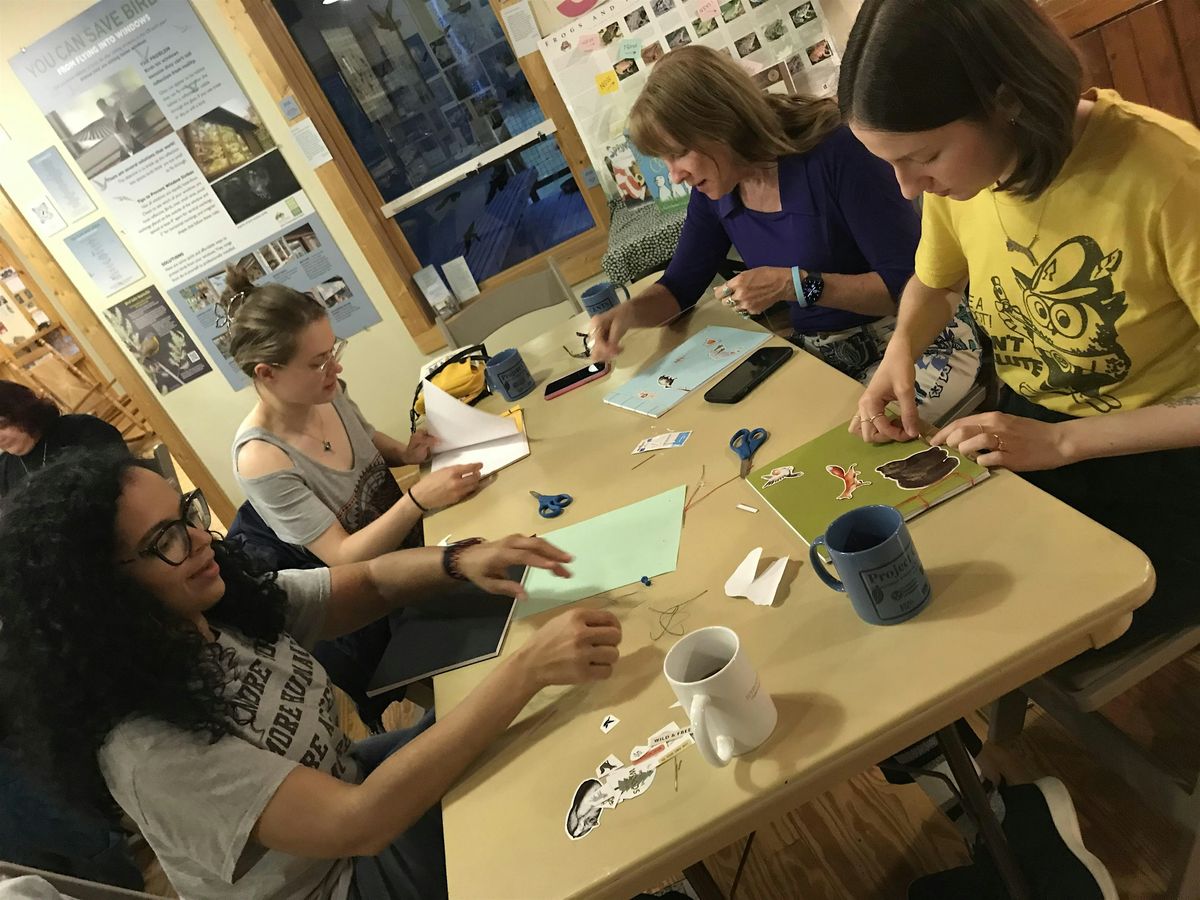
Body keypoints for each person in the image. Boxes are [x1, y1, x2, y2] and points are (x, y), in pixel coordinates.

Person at [840, 0, 1200, 896]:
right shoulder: (968, 182)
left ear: (1008, 100)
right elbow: (935, 279)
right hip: (1045, 438)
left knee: (962, 628)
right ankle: (1002, 808)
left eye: (922, 157)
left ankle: (1012, 819)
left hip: (1167, 464)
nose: (907, 188)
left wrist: (1067, 440)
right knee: (878, 588)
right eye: (889, 163)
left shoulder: (1167, 173)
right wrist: (898, 351)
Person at [0, 451, 622, 900]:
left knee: (524, 737)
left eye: (187, 513)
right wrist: (526, 671)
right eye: (167, 539)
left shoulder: (217, 608)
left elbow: (369, 582)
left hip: (355, 795)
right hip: (345, 879)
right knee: (537, 793)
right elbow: (360, 822)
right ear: (98, 592)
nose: (200, 539)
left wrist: (460, 560)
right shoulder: (146, 749)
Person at [588, 45, 983, 424]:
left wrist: (795, 285)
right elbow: (679, 287)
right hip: (829, 353)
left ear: (720, 124)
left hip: (918, 338)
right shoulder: (715, 188)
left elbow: (909, 286)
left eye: (678, 153)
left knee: (862, 443)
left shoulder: (837, 153)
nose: (674, 175)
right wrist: (627, 314)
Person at [223, 266, 486, 727]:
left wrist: (405, 452)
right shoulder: (262, 459)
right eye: (317, 362)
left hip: (422, 542)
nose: (336, 369)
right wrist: (417, 500)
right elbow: (344, 558)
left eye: (333, 351)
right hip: (384, 596)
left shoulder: (326, 392)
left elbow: (365, 435)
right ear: (267, 373)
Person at [0, 381, 127, 498]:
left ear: (22, 411)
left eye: (1, 425)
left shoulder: (81, 429)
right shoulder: (4, 469)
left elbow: (124, 478)